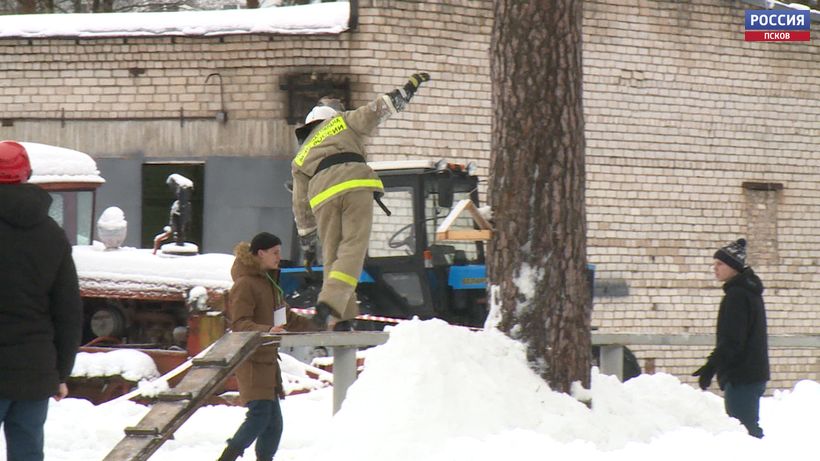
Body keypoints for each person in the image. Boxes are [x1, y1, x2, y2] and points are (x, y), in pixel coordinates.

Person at [291, 72, 431, 330]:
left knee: (333, 257)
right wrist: (405, 92)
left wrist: (308, 243)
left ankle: (342, 319)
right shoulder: (342, 122)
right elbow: (374, 111)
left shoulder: (300, 158)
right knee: (353, 248)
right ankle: (329, 304)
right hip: (354, 184)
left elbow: (300, 205)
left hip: (321, 196)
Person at [0, 140, 83, 461]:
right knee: (28, 453)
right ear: (26, 174)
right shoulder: (50, 233)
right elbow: (68, 312)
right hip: (34, 371)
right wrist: (59, 373)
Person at [218, 232, 317, 461]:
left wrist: (320, 324)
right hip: (252, 361)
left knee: (273, 426)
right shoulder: (245, 284)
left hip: (268, 363)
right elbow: (240, 323)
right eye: (274, 253)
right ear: (260, 253)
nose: (279, 257)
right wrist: (267, 330)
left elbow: (286, 319)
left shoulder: (270, 283)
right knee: (260, 416)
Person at [692, 238, 770, 438]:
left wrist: (710, 367)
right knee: (746, 429)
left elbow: (733, 340)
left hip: (742, 376)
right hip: (750, 374)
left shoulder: (737, 296)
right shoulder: (749, 292)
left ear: (734, 267)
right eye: (714, 263)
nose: (714, 268)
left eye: (720, 264)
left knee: (745, 433)